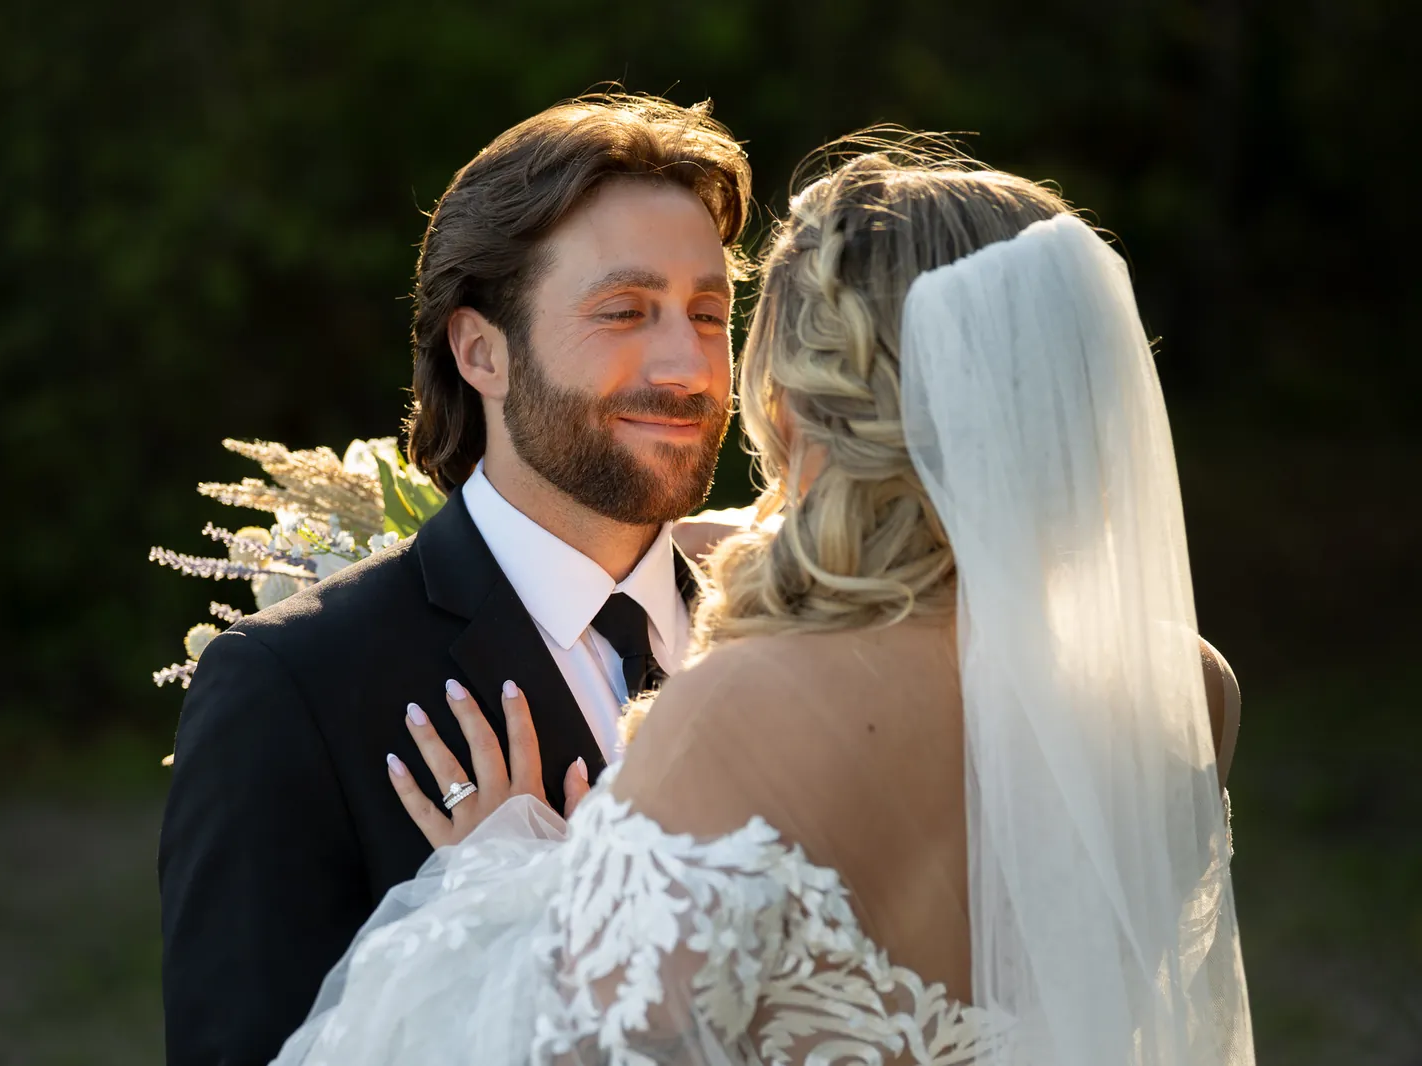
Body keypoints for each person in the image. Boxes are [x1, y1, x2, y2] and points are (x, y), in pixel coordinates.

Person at [269, 139, 1255, 1065]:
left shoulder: (739, 709)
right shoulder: (1185, 693)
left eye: (717, 321)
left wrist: (496, 877)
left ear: (790, 402)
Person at [157, 94, 753, 1066]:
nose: (688, 365)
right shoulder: (294, 687)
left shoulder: (781, 646)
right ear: (481, 351)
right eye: (623, 312)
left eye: (709, 314)